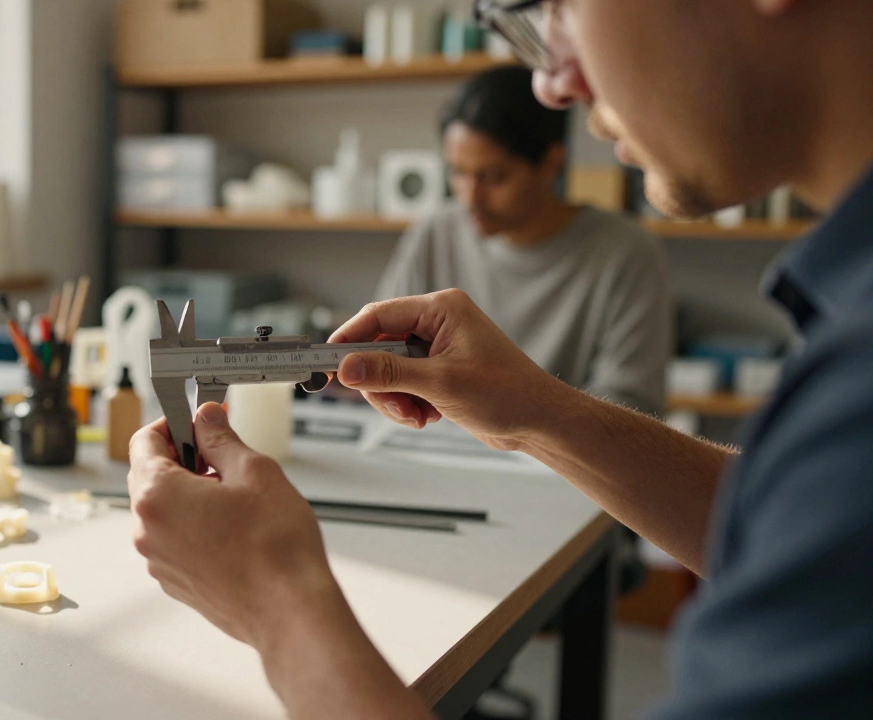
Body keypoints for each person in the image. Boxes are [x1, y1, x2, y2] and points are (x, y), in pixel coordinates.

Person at [127, 1, 873, 718]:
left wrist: (275, 600)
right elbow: (788, 530)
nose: (554, 80)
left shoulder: (853, 390)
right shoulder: (844, 367)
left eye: (560, 5)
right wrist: (538, 414)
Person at [376, 65, 670, 416]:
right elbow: (388, 356)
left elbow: (633, 411)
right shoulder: (433, 234)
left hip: (560, 465)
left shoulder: (626, 252)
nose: (471, 198)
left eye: (494, 177)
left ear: (551, 163)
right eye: (457, 173)